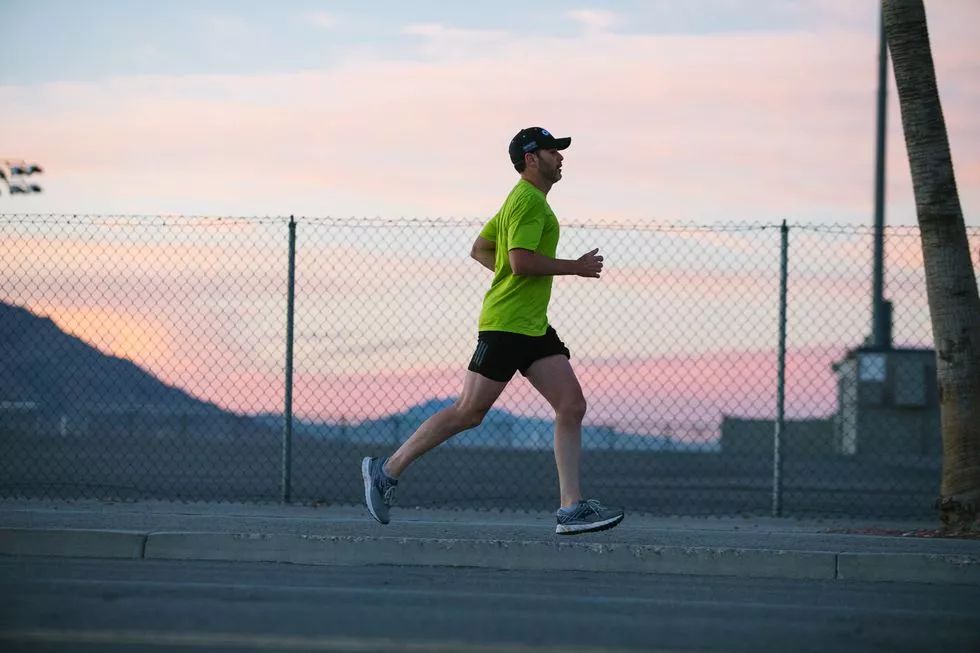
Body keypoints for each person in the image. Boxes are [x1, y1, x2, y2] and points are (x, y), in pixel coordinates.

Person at [362, 126, 624, 535]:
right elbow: (519, 262)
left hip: (532, 327)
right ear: (531, 159)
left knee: (571, 405)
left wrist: (508, 275)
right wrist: (574, 266)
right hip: (505, 326)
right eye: (552, 151)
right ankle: (387, 470)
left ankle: (571, 508)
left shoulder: (518, 203)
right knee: (469, 412)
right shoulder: (527, 202)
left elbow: (482, 249)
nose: (560, 157)